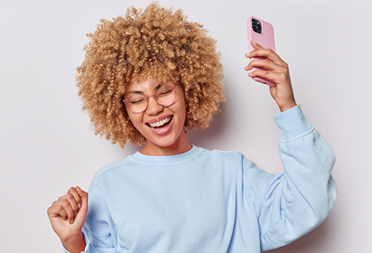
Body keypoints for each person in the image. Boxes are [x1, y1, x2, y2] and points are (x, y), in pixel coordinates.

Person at [47, 3, 337, 253]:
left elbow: (309, 202)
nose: (154, 107)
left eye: (164, 91)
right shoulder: (109, 184)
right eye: (137, 99)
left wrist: (287, 105)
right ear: (121, 109)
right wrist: (74, 243)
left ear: (188, 88)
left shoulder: (233, 174)